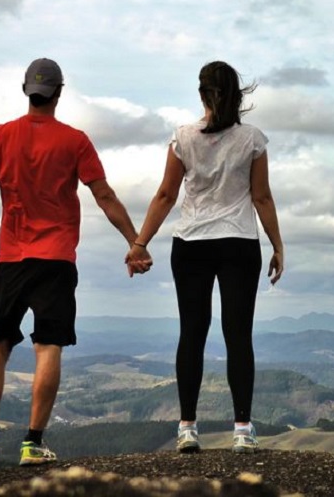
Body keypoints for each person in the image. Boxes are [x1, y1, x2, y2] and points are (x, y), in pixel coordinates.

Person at [0, 57, 149, 476]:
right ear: (58, 93)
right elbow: (104, 195)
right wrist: (135, 242)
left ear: (26, 90)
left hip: (11, 260)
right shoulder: (75, 141)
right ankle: (33, 444)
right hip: (57, 260)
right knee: (48, 347)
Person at [124, 61, 284, 454]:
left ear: (201, 95)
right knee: (238, 335)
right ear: (238, 96)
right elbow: (262, 197)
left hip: (191, 244)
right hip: (238, 242)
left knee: (192, 333)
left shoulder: (182, 138)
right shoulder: (253, 140)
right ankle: (242, 429)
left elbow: (166, 195)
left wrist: (140, 243)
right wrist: (277, 245)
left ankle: (187, 428)